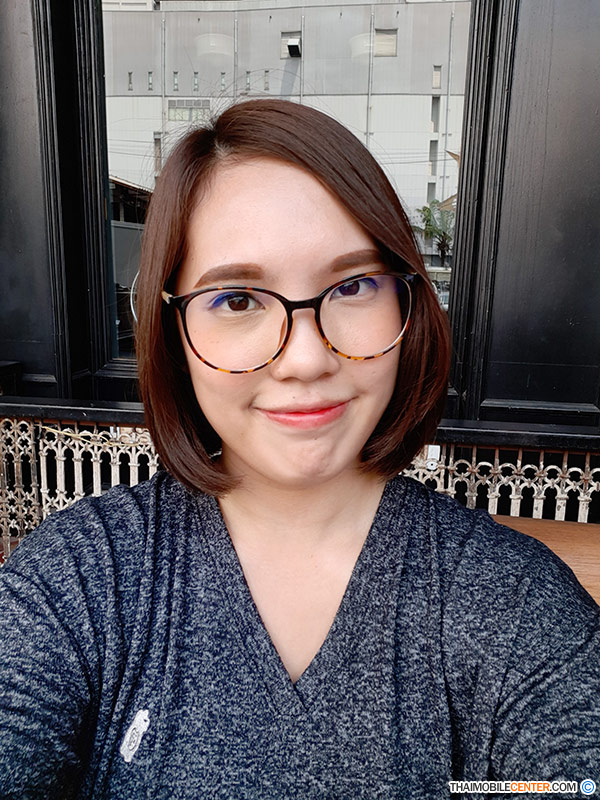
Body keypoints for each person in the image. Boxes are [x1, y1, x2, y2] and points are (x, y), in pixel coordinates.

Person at [0, 99, 598, 799]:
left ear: (407, 303)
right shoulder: (80, 578)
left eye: (353, 286)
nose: (307, 359)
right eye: (238, 300)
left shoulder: (511, 602)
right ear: (172, 330)